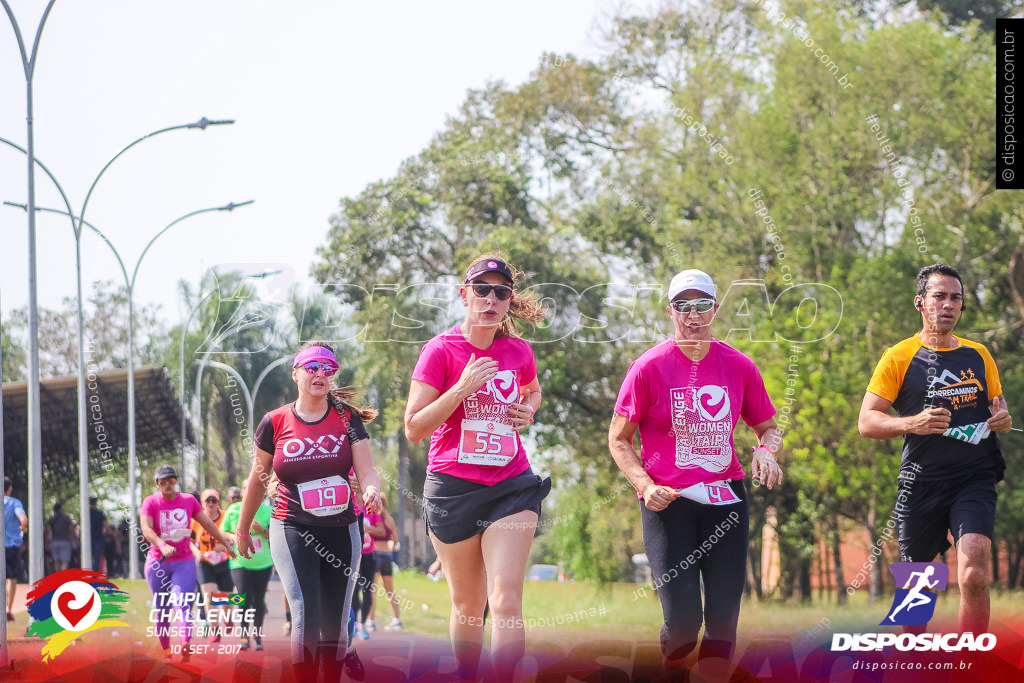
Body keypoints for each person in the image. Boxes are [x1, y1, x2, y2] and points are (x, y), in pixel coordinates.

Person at [608, 268, 783, 668]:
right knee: (685, 623)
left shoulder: (739, 366)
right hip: (668, 505)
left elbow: (769, 429)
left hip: (726, 501)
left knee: (723, 623)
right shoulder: (648, 367)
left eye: (702, 305)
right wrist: (644, 485)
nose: (693, 314)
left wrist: (765, 450)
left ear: (715, 310)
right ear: (670, 312)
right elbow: (619, 439)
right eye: (683, 306)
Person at [404, 254, 549, 680]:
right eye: (481, 290)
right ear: (464, 294)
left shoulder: (518, 351)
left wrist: (528, 408)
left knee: (504, 598)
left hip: (511, 484)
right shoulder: (440, 350)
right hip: (453, 488)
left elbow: (533, 391)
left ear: (508, 302)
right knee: (469, 606)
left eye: (501, 292)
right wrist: (462, 387)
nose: (490, 299)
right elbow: (414, 428)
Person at [859, 263, 1013, 634]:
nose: (948, 304)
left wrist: (1003, 418)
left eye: (955, 298)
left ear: (962, 306)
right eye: (939, 296)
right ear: (920, 303)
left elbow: (999, 407)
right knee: (918, 593)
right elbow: (867, 422)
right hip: (920, 483)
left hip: (973, 477)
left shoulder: (979, 355)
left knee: (974, 568)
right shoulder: (897, 357)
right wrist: (912, 423)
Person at [236, 341, 383, 681]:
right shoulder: (274, 422)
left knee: (336, 621)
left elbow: (367, 470)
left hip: (343, 527)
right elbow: (257, 481)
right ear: (296, 374)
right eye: (312, 366)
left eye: (328, 367)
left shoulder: (347, 418)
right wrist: (242, 530)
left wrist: (373, 489)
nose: (320, 373)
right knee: (307, 614)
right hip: (292, 526)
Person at [140, 465, 235, 662]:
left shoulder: (188, 501)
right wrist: (161, 544)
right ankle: (166, 650)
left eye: (172, 481)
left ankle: (185, 643)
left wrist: (226, 544)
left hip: (183, 561)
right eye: (164, 481)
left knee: (182, 603)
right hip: (158, 562)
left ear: (176, 482)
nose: (168, 485)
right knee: (162, 608)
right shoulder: (150, 502)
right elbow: (146, 529)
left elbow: (208, 524)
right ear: (157, 484)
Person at [222, 479, 273, 650]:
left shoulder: (268, 510)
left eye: (251, 486)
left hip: (263, 562)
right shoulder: (234, 509)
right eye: (245, 487)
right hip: (239, 561)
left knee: (258, 600)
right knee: (243, 598)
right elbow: (223, 530)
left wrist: (263, 530)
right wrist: (231, 537)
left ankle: (257, 635)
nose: (248, 490)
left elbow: (278, 535)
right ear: (242, 492)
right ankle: (244, 636)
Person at [190, 488, 234, 642]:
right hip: (205, 562)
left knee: (225, 597)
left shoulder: (225, 516)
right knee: (209, 595)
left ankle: (228, 618)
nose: (210, 503)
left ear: (218, 502)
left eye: (213, 500)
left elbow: (232, 536)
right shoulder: (196, 520)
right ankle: (215, 629)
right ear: (202, 503)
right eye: (207, 500)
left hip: (224, 561)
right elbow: (189, 541)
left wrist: (224, 545)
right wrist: (196, 552)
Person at [366, 499, 403, 631]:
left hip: (375, 555)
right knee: (390, 590)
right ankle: (397, 619)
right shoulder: (390, 520)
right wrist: (390, 551)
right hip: (387, 557)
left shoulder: (373, 518)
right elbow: (396, 540)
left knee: (372, 589)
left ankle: (370, 620)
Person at [4, 477, 27, 622]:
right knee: (11, 578)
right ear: (10, 488)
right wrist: (22, 529)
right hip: (11, 545)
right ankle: (8, 608)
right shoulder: (14, 503)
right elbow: (23, 520)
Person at [47, 503, 74, 573]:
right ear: (61, 509)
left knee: (56, 561)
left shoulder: (52, 519)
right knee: (65, 561)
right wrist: (74, 539)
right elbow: (71, 529)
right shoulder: (66, 518)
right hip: (65, 541)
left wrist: (47, 541)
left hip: (54, 542)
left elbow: (48, 530)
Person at [88, 497, 107, 573]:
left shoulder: (86, 513)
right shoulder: (100, 513)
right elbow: (106, 525)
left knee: (88, 556)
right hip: (98, 538)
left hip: (88, 538)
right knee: (96, 557)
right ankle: (95, 573)